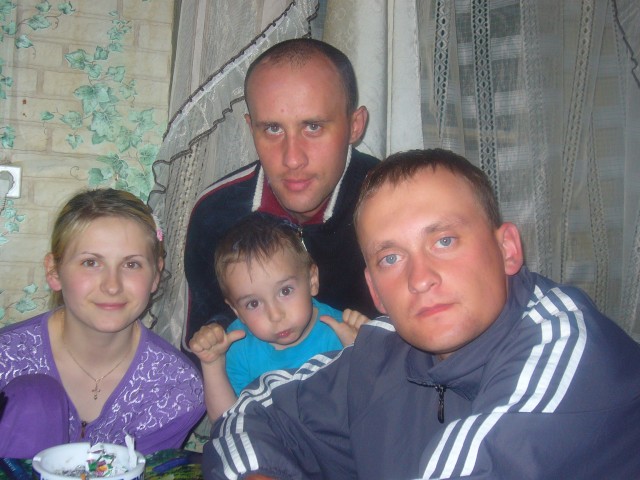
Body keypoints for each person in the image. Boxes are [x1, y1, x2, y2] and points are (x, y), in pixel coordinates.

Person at [201, 149, 640, 479]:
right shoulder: (382, 347)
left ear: (507, 249)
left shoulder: (564, 351)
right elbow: (250, 415)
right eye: (391, 258)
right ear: (375, 290)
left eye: (444, 241)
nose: (420, 278)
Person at [183, 38, 379, 363]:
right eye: (273, 129)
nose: (292, 159)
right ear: (251, 128)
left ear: (354, 125)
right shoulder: (216, 214)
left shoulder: (393, 205)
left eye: (313, 127)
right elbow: (200, 349)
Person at [0, 189, 205, 458]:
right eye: (91, 262)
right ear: (54, 271)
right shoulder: (7, 359)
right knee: (35, 398)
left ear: (155, 275)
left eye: (131, 264)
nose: (112, 286)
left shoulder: (174, 388)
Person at [189, 213, 368, 420]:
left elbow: (372, 407)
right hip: (269, 438)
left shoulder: (342, 333)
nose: (275, 315)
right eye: (253, 304)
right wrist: (213, 364)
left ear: (312, 280)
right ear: (237, 311)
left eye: (285, 291)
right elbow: (226, 423)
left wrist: (363, 353)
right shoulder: (237, 346)